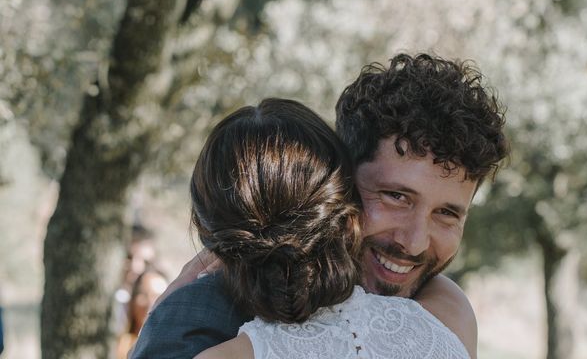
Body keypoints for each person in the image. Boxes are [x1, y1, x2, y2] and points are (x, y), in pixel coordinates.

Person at [131, 53, 508, 359]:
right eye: (396, 197)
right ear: (339, 184)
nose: (414, 243)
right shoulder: (202, 314)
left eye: (447, 213)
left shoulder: (442, 308)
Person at [116, 268, 168, 358]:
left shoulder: (177, 347)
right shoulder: (118, 345)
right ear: (132, 301)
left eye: (158, 296)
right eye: (144, 295)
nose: (151, 303)